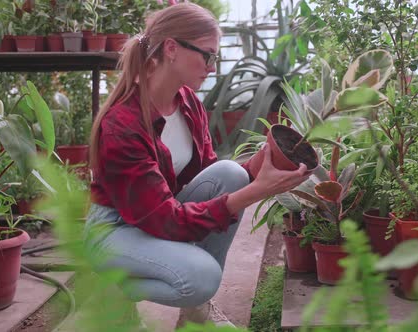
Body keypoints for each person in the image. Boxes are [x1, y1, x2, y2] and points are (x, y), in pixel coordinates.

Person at [84, 3, 310, 328]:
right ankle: (115, 290)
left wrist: (263, 162)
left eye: (214, 57)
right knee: (201, 278)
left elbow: (212, 179)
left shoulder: (189, 104)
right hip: (114, 230)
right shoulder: (123, 124)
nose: (212, 67)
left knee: (231, 173)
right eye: (207, 55)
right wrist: (254, 193)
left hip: (158, 216)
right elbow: (165, 220)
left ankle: (196, 311)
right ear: (172, 49)